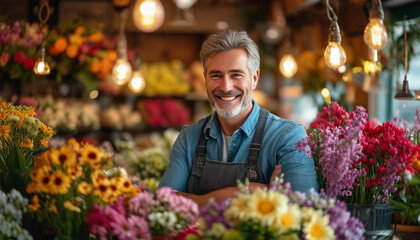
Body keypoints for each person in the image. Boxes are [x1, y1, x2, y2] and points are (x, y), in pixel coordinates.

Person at [158, 29, 318, 207]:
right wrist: (255, 191)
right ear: (205, 79)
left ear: (254, 78)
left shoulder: (288, 136)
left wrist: (194, 201)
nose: (226, 87)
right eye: (216, 75)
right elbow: (163, 202)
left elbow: (303, 209)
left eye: (236, 75)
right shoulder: (189, 138)